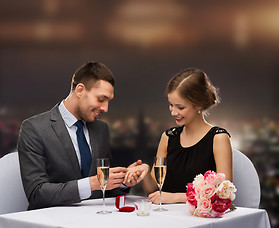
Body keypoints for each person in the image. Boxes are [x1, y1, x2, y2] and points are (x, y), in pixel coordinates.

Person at [18, 61, 139, 210]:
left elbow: (104, 189)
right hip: (52, 223)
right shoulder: (34, 128)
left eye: (108, 102)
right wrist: (91, 183)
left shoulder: (101, 129)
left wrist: (123, 181)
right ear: (80, 90)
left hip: (97, 220)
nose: (105, 108)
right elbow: (37, 193)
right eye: (101, 100)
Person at [124, 68, 232, 204]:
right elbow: (153, 191)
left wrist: (175, 197)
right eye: (171, 105)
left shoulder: (218, 138)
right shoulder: (168, 137)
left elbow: (224, 192)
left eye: (180, 107)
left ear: (198, 105)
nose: (173, 112)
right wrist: (145, 171)